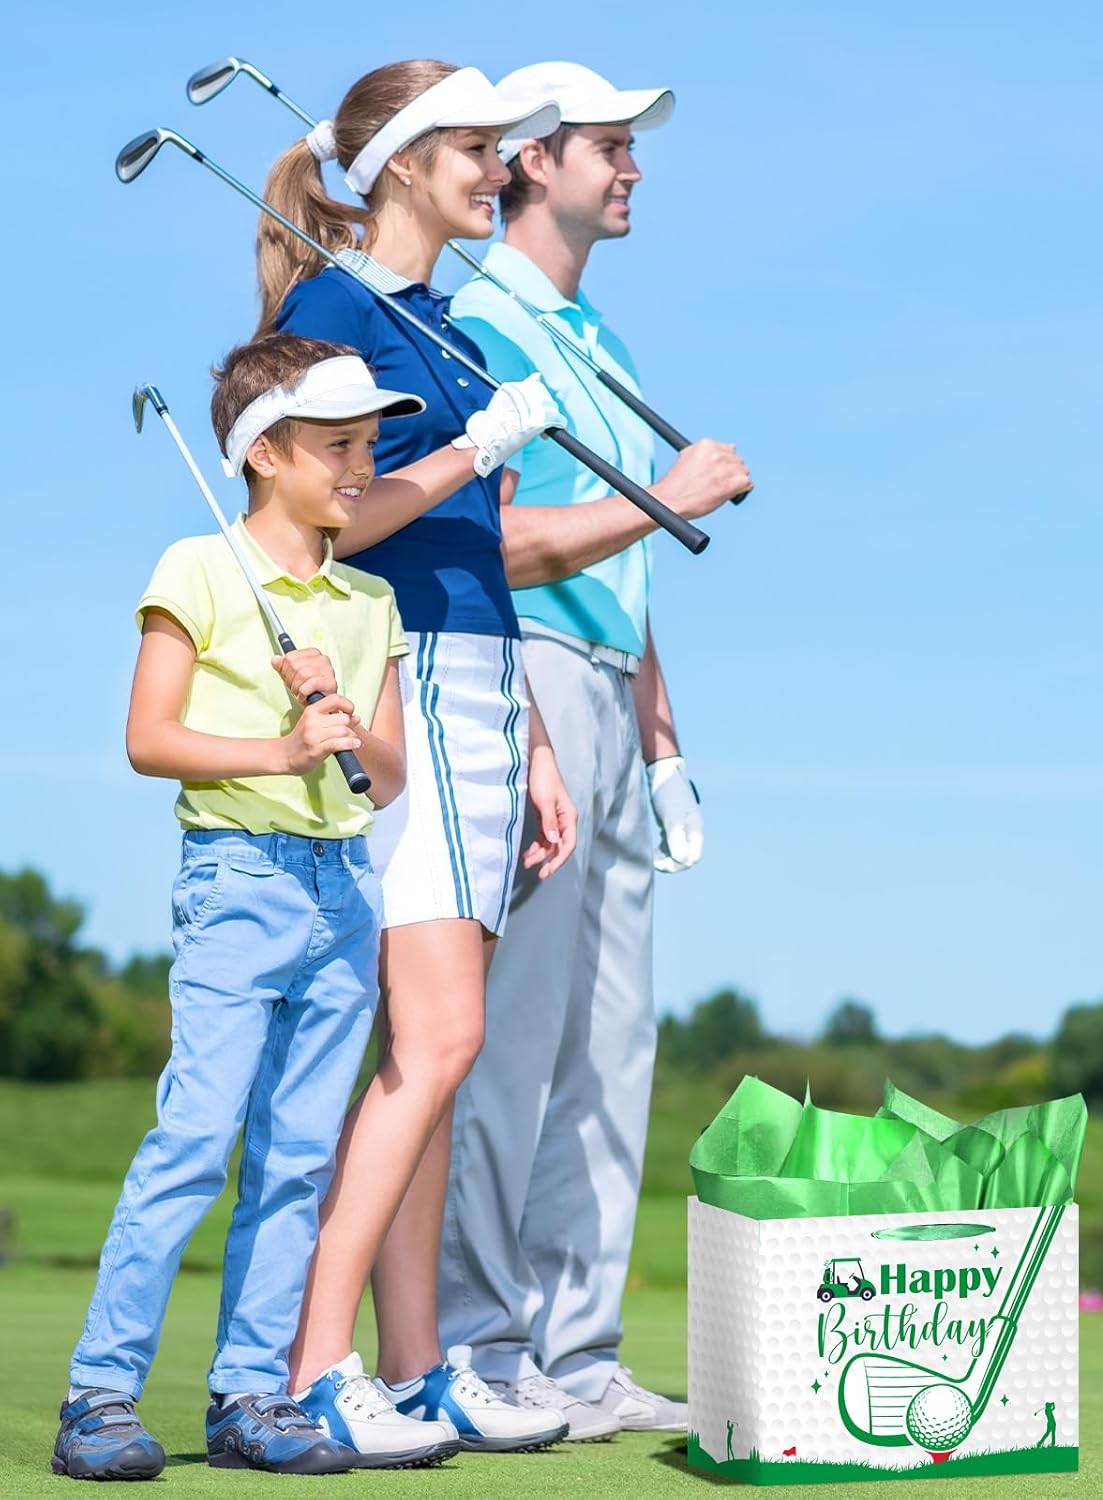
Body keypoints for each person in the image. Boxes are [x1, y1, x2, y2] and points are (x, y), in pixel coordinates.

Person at [258, 60, 585, 1461]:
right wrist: (474, 452)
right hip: (410, 674)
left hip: (483, 679)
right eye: (476, 147)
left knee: (430, 1054)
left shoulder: (439, 321)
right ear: (401, 161)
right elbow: (327, 520)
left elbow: (476, 557)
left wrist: (539, 736)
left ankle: (418, 1364)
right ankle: (314, 1367)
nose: (499, 170)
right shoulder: (331, 315)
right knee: (443, 1038)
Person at [436, 61, 752, 1440]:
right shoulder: (482, 322)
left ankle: (577, 1352)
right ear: (534, 158)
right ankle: (478, 1343)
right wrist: (665, 500)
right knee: (516, 1033)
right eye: (611, 146)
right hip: (527, 679)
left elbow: (626, 571)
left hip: (615, 691)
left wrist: (665, 744)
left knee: (613, 1042)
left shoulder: (596, 335)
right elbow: (490, 543)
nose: (633, 170)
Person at [53, 334, 415, 1479]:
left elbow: (388, 774)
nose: (362, 464)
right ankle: (99, 1396)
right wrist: (282, 745)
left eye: (369, 443)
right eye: (338, 443)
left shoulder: (370, 599)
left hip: (344, 891)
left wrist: (341, 714)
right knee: (196, 1139)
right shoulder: (198, 569)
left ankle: (249, 1396)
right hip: (237, 881)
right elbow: (148, 737)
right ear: (264, 453)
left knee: (298, 1159)